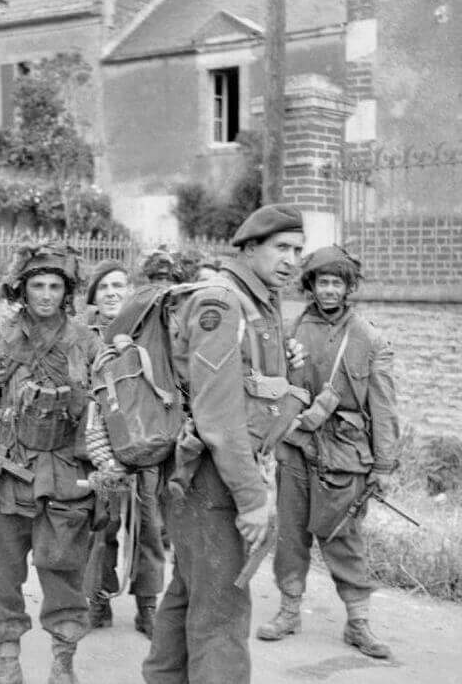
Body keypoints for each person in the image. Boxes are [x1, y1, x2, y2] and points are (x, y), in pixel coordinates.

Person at [142, 204, 307, 684]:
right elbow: (219, 419)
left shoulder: (260, 301)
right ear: (250, 248)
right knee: (222, 614)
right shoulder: (224, 303)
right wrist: (252, 499)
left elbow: (256, 393)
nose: (292, 260)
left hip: (214, 476)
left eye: (297, 250)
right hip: (213, 479)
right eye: (281, 248)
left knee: (192, 593)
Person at [0, 243, 100, 684]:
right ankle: (8, 662)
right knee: (2, 580)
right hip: (7, 478)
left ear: (67, 291)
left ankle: (62, 662)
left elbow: (112, 413)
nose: (47, 295)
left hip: (67, 479)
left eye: (56, 286)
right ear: (21, 288)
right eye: (38, 285)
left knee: (66, 577)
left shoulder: (88, 343)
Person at [256, 245, 399, 658]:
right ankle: (288, 610)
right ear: (311, 285)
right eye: (323, 281)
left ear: (349, 287)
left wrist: (383, 465)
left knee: (343, 539)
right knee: (290, 533)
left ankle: (358, 623)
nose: (330, 290)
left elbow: (384, 406)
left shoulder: (369, 338)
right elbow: (271, 389)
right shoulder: (292, 330)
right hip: (296, 446)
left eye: (338, 282)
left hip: (345, 454)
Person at [83, 260, 165, 638]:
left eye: (119, 285)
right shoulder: (83, 338)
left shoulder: (148, 333)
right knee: (101, 527)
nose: (113, 293)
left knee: (148, 527)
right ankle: (98, 600)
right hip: (101, 451)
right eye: (104, 287)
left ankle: (147, 606)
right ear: (93, 296)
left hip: (143, 446)